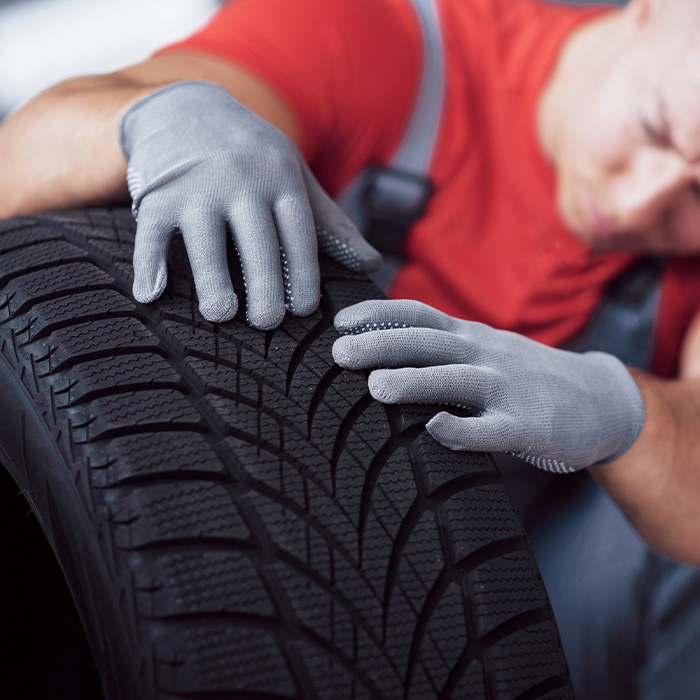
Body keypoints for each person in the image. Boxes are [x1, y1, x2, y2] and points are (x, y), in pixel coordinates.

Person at [1, 0, 700, 696]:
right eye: (654, 127)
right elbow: (18, 164)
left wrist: (623, 411)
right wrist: (153, 116)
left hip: (522, 603)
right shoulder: (384, 39)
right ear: (645, 9)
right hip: (246, 557)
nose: (643, 203)